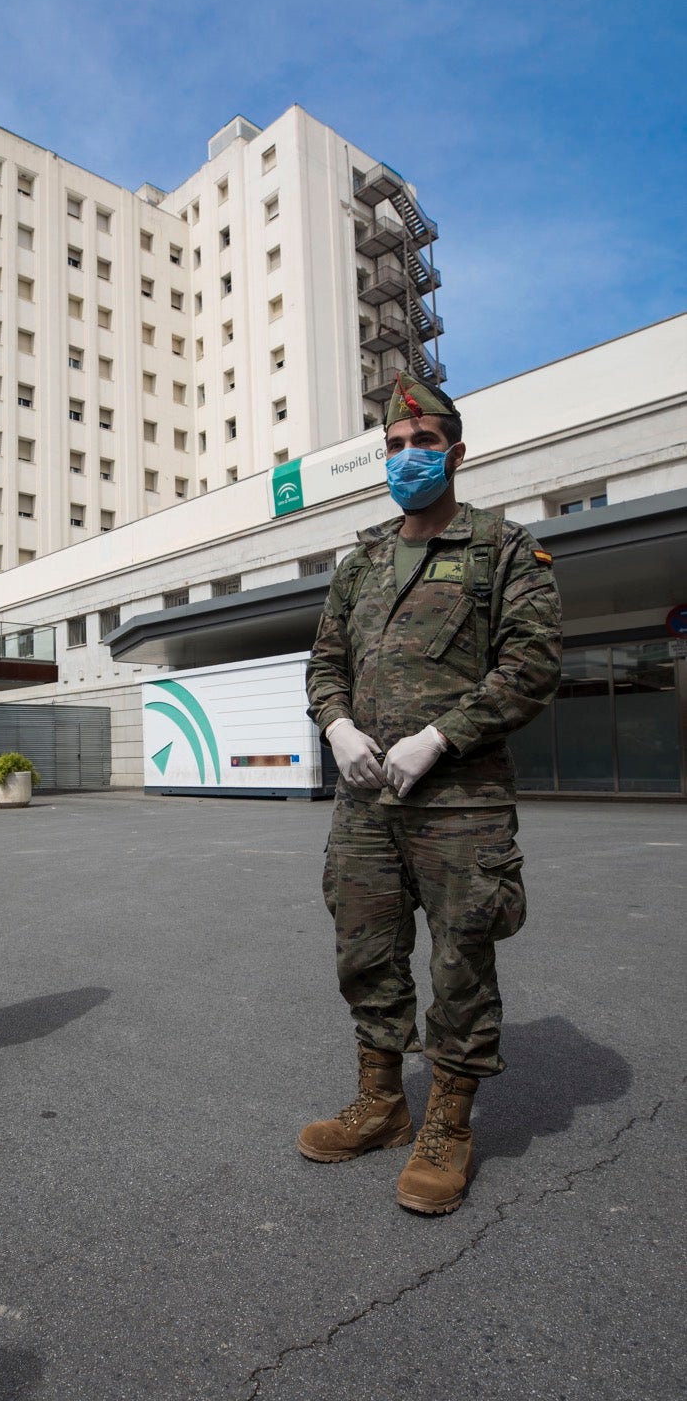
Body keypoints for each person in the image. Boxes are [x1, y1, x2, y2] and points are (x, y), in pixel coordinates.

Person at [299, 373, 562, 1213]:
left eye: (423, 444)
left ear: (455, 451)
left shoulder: (505, 548)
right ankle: (381, 1101)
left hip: (461, 801)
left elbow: (532, 665)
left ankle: (449, 1118)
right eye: (394, 447)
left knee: (462, 961)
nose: (408, 458)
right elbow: (325, 662)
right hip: (365, 802)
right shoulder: (364, 557)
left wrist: (439, 737)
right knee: (364, 951)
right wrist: (338, 727)